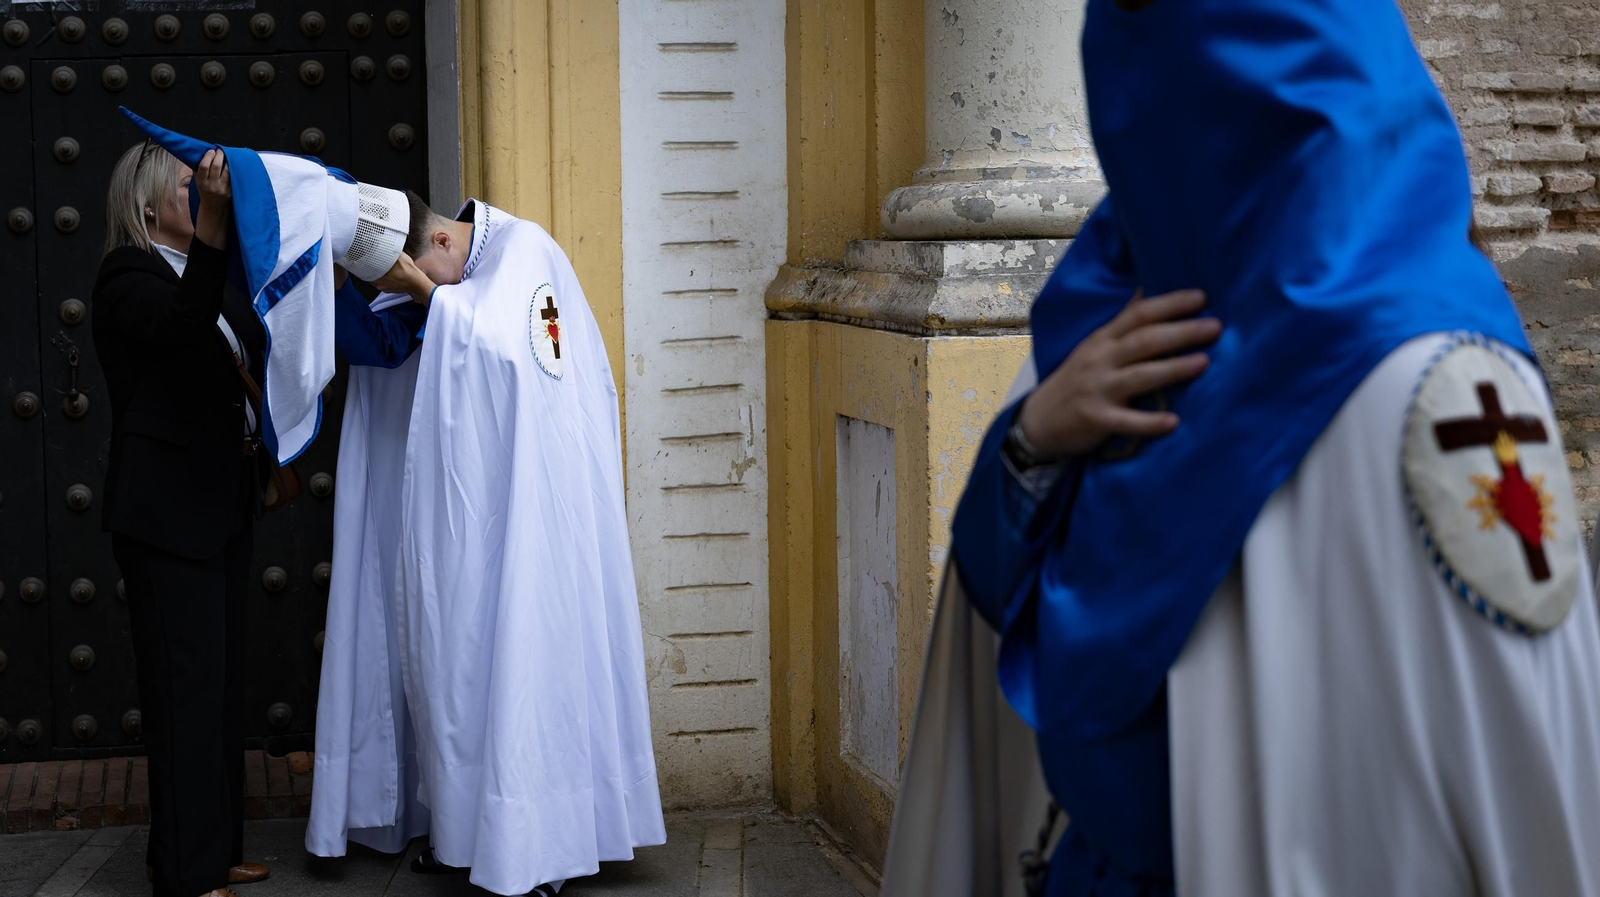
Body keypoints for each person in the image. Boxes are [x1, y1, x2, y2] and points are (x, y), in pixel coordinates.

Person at [883, 2, 1600, 896]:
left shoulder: (1443, 398)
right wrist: (1031, 443)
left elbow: (1526, 805)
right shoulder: (1111, 336)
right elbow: (993, 622)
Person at [94, 139, 430, 897]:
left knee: (213, 693)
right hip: (165, 520)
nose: (205, 194)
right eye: (190, 189)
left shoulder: (199, 276)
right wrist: (217, 228)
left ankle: (204, 855)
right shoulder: (128, 276)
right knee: (183, 696)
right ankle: (186, 874)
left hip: (215, 508)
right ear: (149, 207)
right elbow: (180, 336)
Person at [306, 193, 666, 896]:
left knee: (524, 669)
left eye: (418, 276)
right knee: (457, 664)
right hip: (474, 516)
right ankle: (463, 834)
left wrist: (426, 296)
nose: (418, 294)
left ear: (439, 237)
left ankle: (536, 850)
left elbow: (515, 355)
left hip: (535, 520)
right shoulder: (462, 270)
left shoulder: (526, 251)